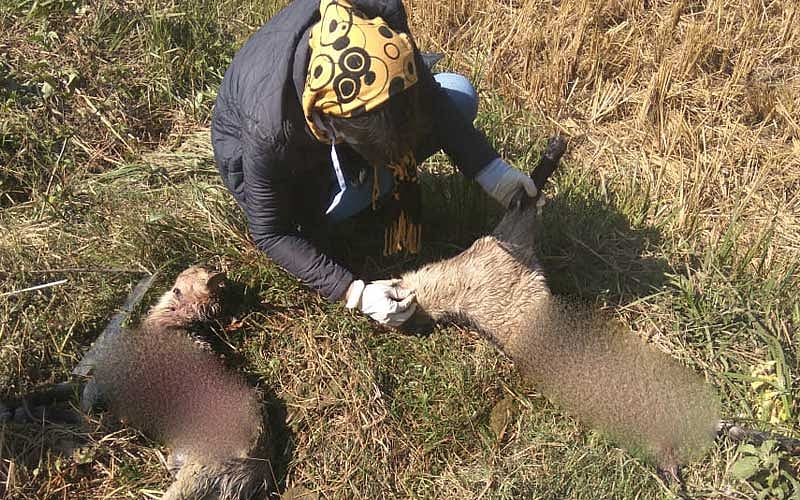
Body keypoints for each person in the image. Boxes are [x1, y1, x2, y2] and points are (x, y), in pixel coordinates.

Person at [211, 0, 539, 327]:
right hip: (286, 166)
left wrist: (492, 170)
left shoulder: (382, 18)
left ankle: (370, 181)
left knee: (459, 94)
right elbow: (271, 232)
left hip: (329, 128)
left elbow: (433, 100)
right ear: (331, 125)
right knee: (312, 222)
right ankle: (349, 198)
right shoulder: (269, 131)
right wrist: (354, 292)